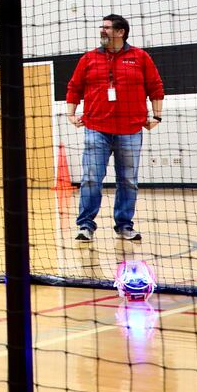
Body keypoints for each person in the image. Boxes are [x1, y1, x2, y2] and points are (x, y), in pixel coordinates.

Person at [66, 14, 164, 242]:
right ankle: (85, 225)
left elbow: (155, 86)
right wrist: (71, 114)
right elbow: (74, 86)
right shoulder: (88, 58)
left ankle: (124, 225)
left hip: (130, 129)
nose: (102, 31)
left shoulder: (140, 57)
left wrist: (157, 116)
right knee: (91, 177)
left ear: (121, 32)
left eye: (107, 28)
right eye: (102, 27)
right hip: (96, 128)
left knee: (128, 180)